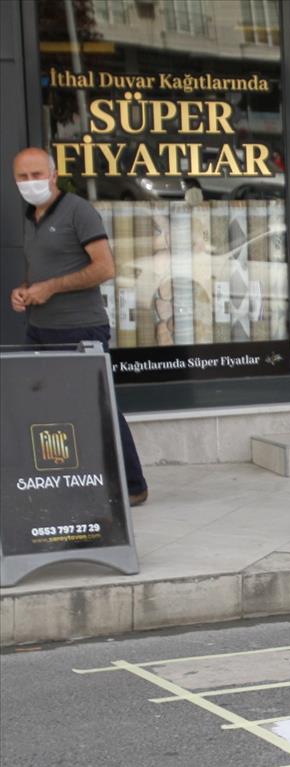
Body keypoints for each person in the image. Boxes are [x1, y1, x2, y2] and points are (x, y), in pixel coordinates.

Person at [10, 147, 149, 505]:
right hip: (38, 327)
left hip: (79, 329)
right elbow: (41, 269)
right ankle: (58, 479)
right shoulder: (30, 216)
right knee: (35, 406)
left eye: (36, 175)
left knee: (98, 406)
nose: (30, 183)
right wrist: (26, 291)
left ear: (53, 175)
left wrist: (50, 287)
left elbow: (105, 268)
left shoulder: (78, 211)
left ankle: (133, 485)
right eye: (22, 178)